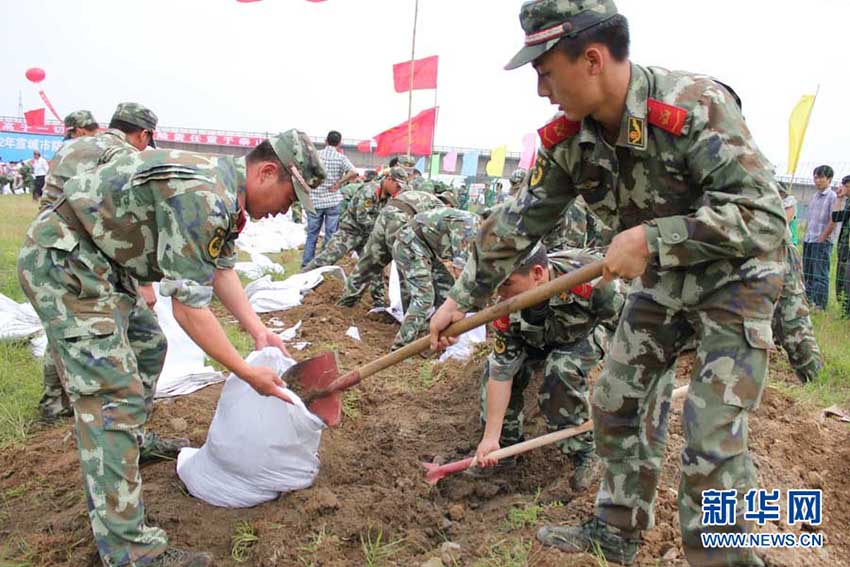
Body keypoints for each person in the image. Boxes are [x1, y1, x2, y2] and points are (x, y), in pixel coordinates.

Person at [429, 1, 787, 565]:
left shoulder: (695, 106)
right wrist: (459, 298)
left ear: (591, 59)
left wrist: (653, 238)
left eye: (546, 73)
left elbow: (763, 216)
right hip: (663, 279)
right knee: (617, 400)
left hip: (736, 279)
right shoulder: (570, 140)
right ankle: (617, 531)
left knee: (711, 432)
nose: (542, 91)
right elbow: (521, 220)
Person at [18, 129, 325, 567]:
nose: (284, 211)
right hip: (66, 262)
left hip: (101, 261)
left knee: (147, 345)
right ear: (267, 172)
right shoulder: (205, 196)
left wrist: (258, 332)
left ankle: (133, 442)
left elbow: (219, 268)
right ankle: (129, 551)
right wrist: (246, 371)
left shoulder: (223, 193)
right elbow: (189, 310)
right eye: (289, 198)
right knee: (112, 394)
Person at [36, 103, 158, 423]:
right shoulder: (125, 158)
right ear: (143, 134)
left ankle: (56, 404)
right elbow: (125, 222)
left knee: (62, 333)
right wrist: (143, 282)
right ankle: (117, 422)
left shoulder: (71, 148)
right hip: (81, 260)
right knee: (123, 340)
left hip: (46, 251)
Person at [472, 245, 624, 492]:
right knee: (492, 370)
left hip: (586, 332)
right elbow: (502, 371)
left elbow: (627, 322)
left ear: (538, 273)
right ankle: (504, 451)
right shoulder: (505, 307)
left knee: (560, 370)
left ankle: (585, 451)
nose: (500, 294)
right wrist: (491, 437)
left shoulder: (590, 279)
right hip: (537, 339)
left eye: (507, 284)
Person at [303, 166, 411, 309]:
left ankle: (378, 302)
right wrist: (382, 231)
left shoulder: (389, 197)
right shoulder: (369, 191)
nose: (398, 190)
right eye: (397, 185)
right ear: (389, 180)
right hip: (350, 232)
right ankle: (299, 281)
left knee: (374, 268)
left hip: (367, 236)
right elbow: (362, 218)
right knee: (326, 258)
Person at [337, 189, 444, 309]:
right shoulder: (443, 210)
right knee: (410, 268)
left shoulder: (425, 197)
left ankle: (345, 303)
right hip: (402, 220)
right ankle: (411, 316)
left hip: (386, 215)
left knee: (368, 262)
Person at [390, 207, 480, 350]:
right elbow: (460, 273)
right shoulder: (469, 228)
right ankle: (401, 348)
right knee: (424, 298)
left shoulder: (478, 228)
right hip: (410, 245)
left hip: (424, 249)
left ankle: (431, 338)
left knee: (446, 291)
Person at [773, 185, 823, 382]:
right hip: (730, 258)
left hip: (776, 253)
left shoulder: (743, 163)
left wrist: (772, 232)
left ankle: (815, 379)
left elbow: (789, 203)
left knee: (792, 321)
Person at [301, 130, 356, 267]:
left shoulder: (316, 156)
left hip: (315, 200)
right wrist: (339, 183)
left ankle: (306, 264)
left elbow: (304, 171)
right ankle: (325, 265)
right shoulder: (341, 158)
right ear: (340, 143)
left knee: (312, 234)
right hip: (332, 200)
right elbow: (354, 172)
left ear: (326, 141)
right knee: (331, 235)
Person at [802, 165, 837, 310]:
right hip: (809, 239)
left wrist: (823, 238)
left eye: (821, 177)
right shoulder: (814, 197)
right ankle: (808, 301)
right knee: (808, 272)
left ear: (829, 179)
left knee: (820, 274)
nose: (817, 181)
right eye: (815, 177)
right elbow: (810, 219)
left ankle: (820, 304)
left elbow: (833, 220)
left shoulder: (832, 197)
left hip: (822, 241)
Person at [831, 175, 850, 315]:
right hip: (844, 247)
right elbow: (836, 217)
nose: (844, 189)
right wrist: (839, 198)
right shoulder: (848, 202)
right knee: (841, 279)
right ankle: (844, 310)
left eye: (847, 186)